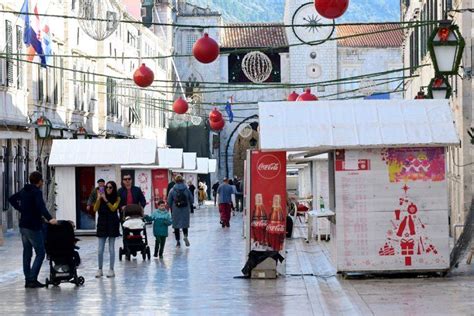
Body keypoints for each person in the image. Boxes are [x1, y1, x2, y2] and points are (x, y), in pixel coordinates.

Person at [9, 171, 58, 288]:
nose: (43, 182)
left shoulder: (24, 190)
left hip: (23, 226)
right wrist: (50, 219)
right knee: (40, 253)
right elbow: (41, 207)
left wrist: (21, 209)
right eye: (42, 180)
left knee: (27, 253)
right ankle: (32, 279)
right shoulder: (36, 192)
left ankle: (28, 279)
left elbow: (11, 199)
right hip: (33, 226)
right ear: (39, 181)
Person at [93, 181, 121, 278]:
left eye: (110, 187)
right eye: (107, 187)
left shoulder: (117, 198)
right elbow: (95, 209)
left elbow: (113, 208)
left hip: (112, 223)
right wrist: (98, 198)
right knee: (100, 249)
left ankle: (111, 269)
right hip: (102, 223)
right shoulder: (101, 198)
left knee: (111, 248)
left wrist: (105, 200)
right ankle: (100, 269)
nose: (108, 189)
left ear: (114, 189)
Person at [167, 175, 193, 248]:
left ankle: (178, 242)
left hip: (176, 210)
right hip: (185, 209)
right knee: (185, 224)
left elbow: (169, 201)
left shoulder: (172, 190)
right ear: (182, 180)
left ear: (175, 181)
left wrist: (171, 206)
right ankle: (185, 236)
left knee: (176, 226)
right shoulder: (186, 189)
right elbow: (192, 199)